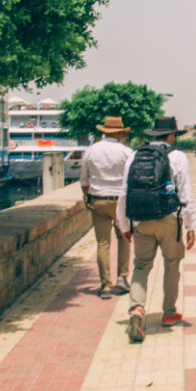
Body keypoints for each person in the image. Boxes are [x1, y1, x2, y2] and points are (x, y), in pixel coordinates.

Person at [117, 116, 195, 341]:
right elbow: (185, 193)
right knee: (172, 264)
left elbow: (124, 191)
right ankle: (169, 313)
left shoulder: (134, 155)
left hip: (140, 219)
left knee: (141, 265)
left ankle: (137, 309)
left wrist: (124, 223)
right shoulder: (178, 157)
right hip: (169, 219)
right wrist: (190, 226)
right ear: (171, 136)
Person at [80, 116, 134, 299]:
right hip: (120, 201)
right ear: (119, 133)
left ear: (104, 131)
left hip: (99, 199)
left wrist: (87, 196)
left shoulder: (91, 151)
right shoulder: (127, 152)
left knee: (102, 243)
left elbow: (84, 180)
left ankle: (105, 286)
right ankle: (122, 277)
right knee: (124, 238)